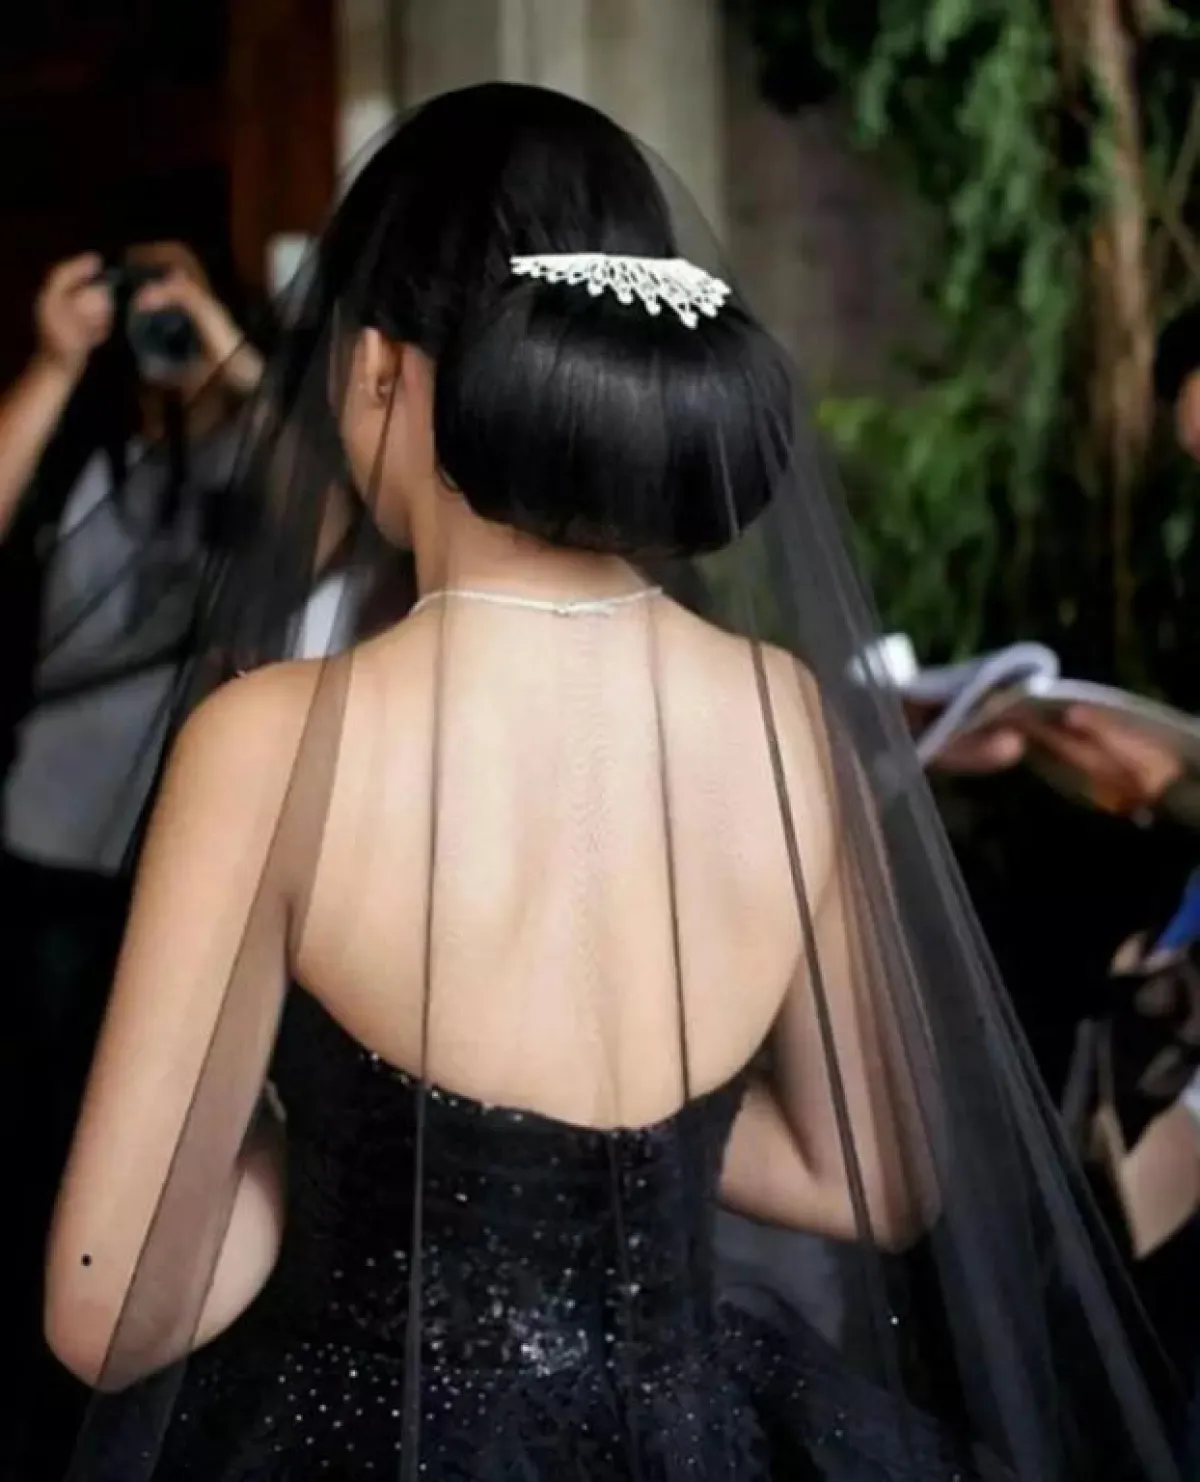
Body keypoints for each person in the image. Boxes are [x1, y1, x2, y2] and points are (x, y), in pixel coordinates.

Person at [43, 84, 1182, 1481]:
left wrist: (326, 1137)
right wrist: (622, 1158)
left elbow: (110, 1310)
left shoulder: (272, 738)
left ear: (380, 369)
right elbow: (874, 1178)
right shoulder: (785, 716)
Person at [0, 241, 262, 1482]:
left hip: (188, 864)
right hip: (50, 844)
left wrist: (221, 347)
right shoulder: (80, 454)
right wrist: (55, 363)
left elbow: (341, 501)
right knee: (42, 1132)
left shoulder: (256, 466)